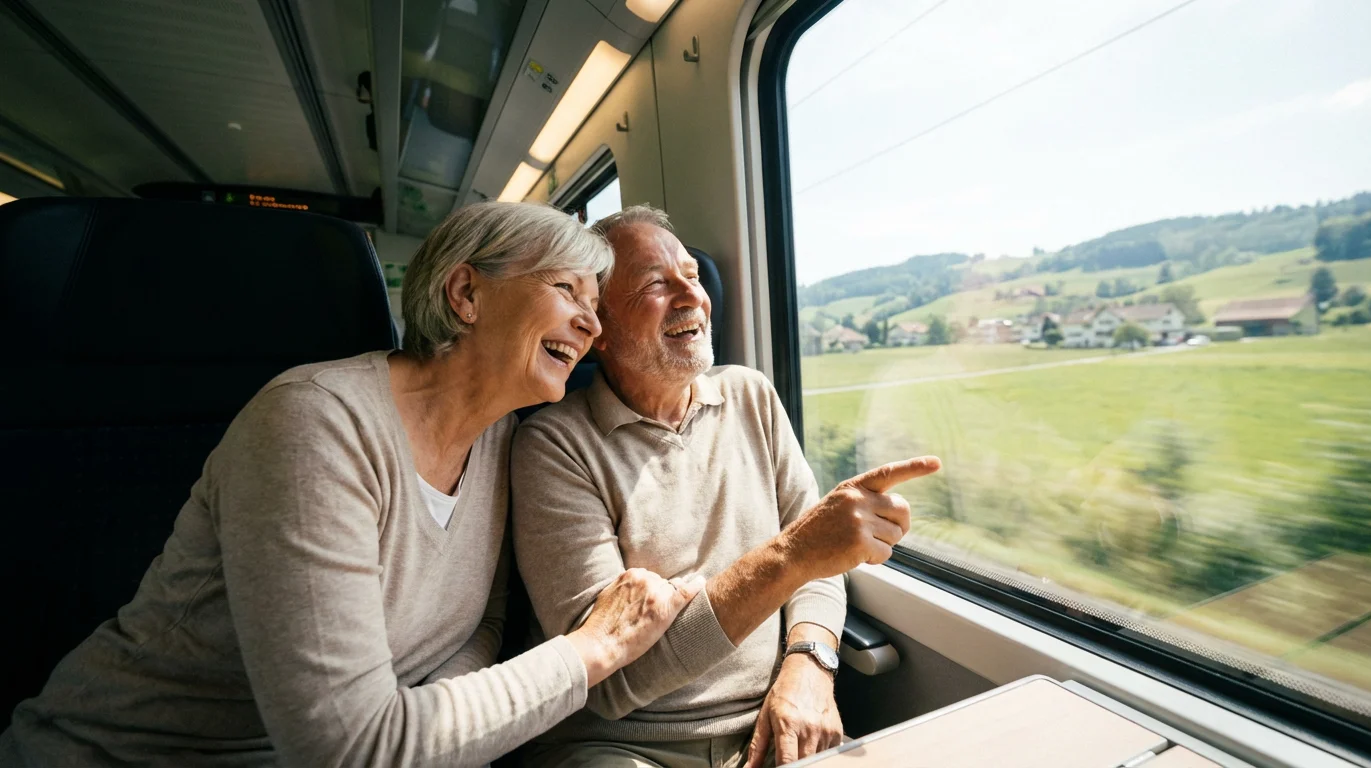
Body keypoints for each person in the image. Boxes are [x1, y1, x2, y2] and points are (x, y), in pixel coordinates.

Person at [0, 202, 702, 768]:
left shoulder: (498, 439)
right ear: (466, 294)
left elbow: (480, 628)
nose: (590, 322)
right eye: (565, 290)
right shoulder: (314, 423)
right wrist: (592, 651)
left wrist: (427, 736)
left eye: (596, 303)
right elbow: (351, 749)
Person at [511, 206, 940, 768]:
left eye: (691, 275)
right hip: (619, 745)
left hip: (770, 721)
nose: (692, 296)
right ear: (600, 330)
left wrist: (810, 665)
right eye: (656, 284)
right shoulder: (552, 446)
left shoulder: (751, 396)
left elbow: (822, 565)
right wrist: (792, 555)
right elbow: (609, 683)